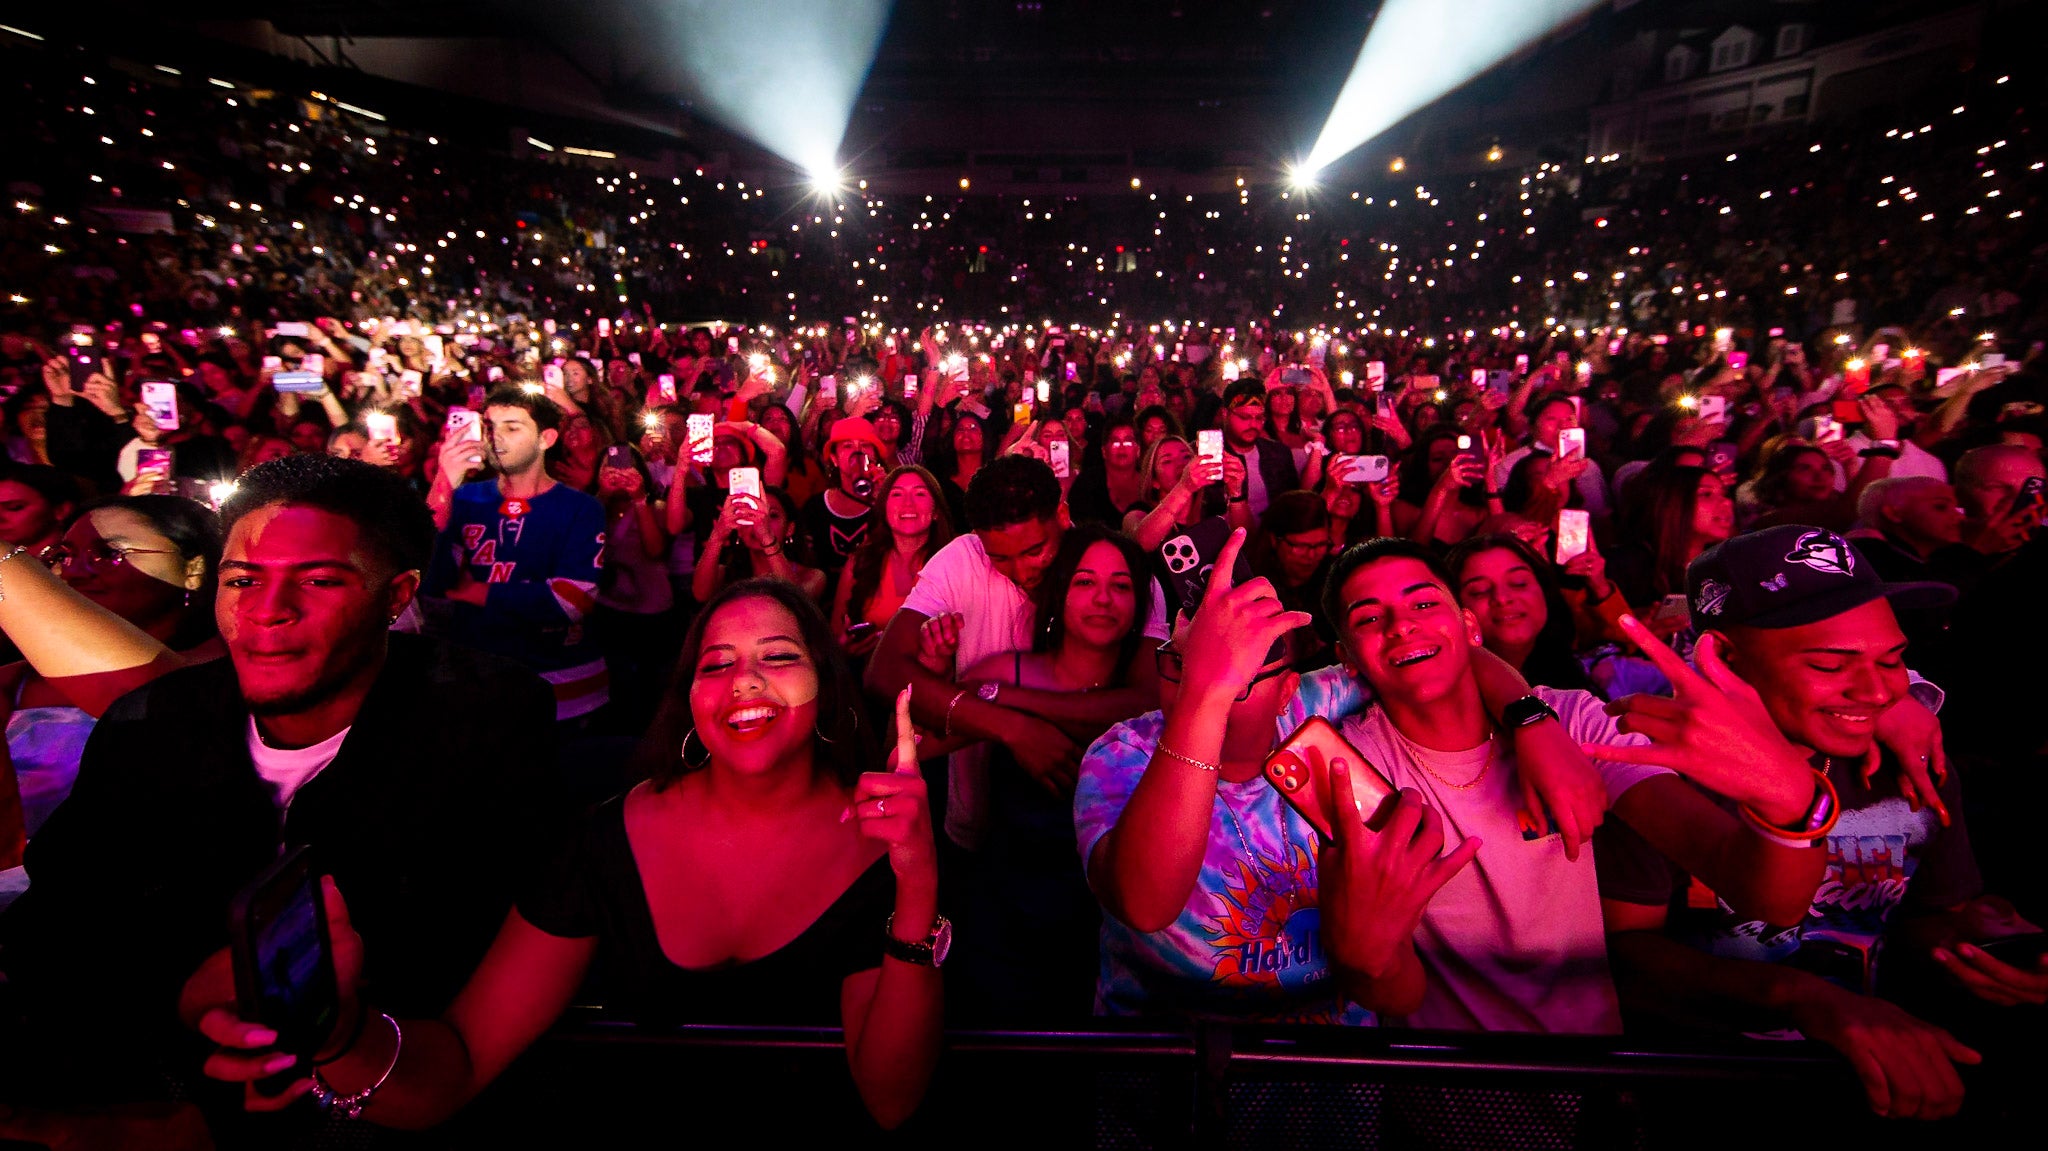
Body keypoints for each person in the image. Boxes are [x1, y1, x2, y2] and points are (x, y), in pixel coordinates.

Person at [189, 579, 945, 1133]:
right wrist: (337, 1033)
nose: (743, 680)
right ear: (690, 702)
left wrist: (915, 884)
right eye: (715, 665)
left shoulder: (883, 838)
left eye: (777, 657)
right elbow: (456, 1064)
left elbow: (891, 1097)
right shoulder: (599, 843)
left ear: (826, 689)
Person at [0, 455, 560, 1131]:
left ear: (397, 594)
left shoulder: (482, 717)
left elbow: (463, 951)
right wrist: (186, 999)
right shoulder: (154, 722)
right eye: (243, 579)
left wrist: (322, 1026)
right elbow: (58, 930)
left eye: (319, 580)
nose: (267, 612)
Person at [1596, 525, 2045, 1120]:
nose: (1877, 690)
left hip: (1875, 1087)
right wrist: (1805, 999)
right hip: (1701, 1094)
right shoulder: (1657, 768)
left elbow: (1925, 914)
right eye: (1834, 663)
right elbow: (1627, 956)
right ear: (1727, 658)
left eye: (1893, 659)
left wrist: (1983, 947)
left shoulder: (1911, 765)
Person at [1077, 529, 1606, 1022]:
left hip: (1331, 1081)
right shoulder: (1123, 755)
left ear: (1290, 687)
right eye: (1182, 663)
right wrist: (1205, 693)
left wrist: (1531, 718)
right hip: (1166, 1072)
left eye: (1242, 666)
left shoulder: (1313, 711)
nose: (1215, 676)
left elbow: (1440, 656)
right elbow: (1144, 906)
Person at [1312, 537, 1830, 1031]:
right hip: (1451, 1095)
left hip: (1592, 1078)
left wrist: (1786, 796)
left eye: (1424, 605)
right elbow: (1397, 997)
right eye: (1371, 618)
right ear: (1348, 658)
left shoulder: (1575, 720)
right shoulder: (1350, 767)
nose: (1402, 626)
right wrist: (1367, 960)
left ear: (1468, 627)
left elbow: (1763, 896)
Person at [865, 456, 1168, 853]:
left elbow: (1150, 702)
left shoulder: (1113, 570)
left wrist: (1008, 702)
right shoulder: (963, 560)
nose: (1022, 571)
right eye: (1001, 558)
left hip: (1117, 830)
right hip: (985, 827)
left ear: (1061, 515)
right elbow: (884, 673)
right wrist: (1014, 728)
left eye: (1035, 551)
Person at [944, 527, 1155, 1023]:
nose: (1103, 599)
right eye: (1085, 582)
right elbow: (914, 741)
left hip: (1113, 931)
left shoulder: (1148, 693)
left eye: (1121, 586)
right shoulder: (1004, 670)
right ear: (1060, 592)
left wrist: (1006, 704)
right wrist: (940, 679)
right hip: (1008, 922)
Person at [0, 497, 224, 875]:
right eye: (63, 555)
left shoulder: (220, 671)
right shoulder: (14, 680)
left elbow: (155, 705)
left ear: (193, 568)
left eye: (108, 553)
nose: (77, 571)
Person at [422, 386, 609, 723]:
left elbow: (571, 601)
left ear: (546, 439)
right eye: (490, 426)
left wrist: (477, 591)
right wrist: (444, 484)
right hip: (479, 683)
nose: (496, 438)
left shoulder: (580, 507)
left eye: (512, 427)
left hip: (564, 689)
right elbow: (432, 586)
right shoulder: (463, 499)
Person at [1445, 533, 1602, 693]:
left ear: (1544, 591)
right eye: (1480, 591)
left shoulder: (1592, 673)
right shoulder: (1451, 694)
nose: (1502, 598)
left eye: (1518, 583)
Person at [830, 466, 952, 663]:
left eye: (920, 494)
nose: (908, 504)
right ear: (884, 510)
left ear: (936, 511)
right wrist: (846, 649)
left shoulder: (953, 564)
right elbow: (833, 640)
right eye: (897, 494)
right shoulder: (859, 563)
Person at [694, 484, 829, 602]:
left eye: (772, 516)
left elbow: (794, 601)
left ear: (789, 529)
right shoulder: (726, 573)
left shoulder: (812, 576)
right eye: (751, 514)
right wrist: (717, 536)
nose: (760, 522)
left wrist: (766, 537)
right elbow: (701, 595)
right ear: (739, 530)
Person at [800, 416, 888, 593]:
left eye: (864, 445)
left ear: (875, 456)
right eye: (847, 446)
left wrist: (884, 500)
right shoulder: (814, 507)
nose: (857, 452)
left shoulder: (890, 502)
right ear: (834, 459)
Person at [1218, 379, 1300, 519]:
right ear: (1225, 413)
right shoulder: (1211, 454)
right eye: (1245, 417)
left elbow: (1293, 505)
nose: (1253, 424)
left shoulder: (1279, 453)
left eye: (1259, 418)